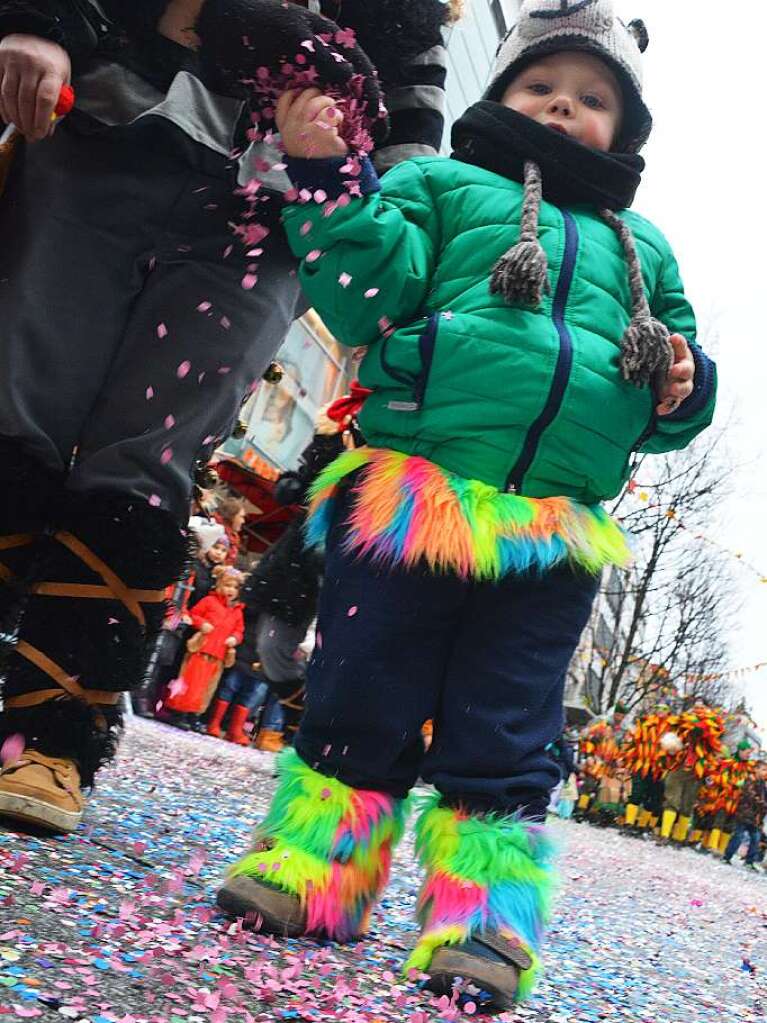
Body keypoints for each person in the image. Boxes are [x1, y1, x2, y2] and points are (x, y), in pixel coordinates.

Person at [215, 0, 717, 1009]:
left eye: (589, 100)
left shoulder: (642, 248)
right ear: (499, 97)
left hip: (549, 537)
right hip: (413, 499)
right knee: (363, 692)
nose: (562, 110)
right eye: (540, 88)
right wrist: (324, 177)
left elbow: (666, 392)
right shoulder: (438, 184)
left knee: (509, 730)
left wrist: (681, 381)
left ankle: (481, 922)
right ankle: (313, 871)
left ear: (623, 131)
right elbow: (362, 290)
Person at [0, 0, 453, 832]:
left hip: (271, 216)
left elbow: (409, 135)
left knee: (146, 462)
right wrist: (41, 22)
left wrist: (397, 242)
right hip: (102, 123)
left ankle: (54, 732)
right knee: (12, 407)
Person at [164, 565, 245, 728]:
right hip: (200, 650)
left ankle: (194, 715)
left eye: (235, 587)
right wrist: (202, 624)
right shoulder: (209, 601)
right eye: (227, 585)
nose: (231, 590)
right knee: (189, 681)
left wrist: (234, 639)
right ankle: (178, 711)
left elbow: (239, 630)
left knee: (207, 688)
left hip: (218, 655)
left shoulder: (237, 611)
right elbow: (193, 614)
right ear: (219, 585)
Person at [723, 760, 767, 870]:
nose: (765, 772)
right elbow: (750, 794)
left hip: (755, 818)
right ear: (755, 769)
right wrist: (762, 802)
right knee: (738, 836)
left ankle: (749, 861)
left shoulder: (762, 784)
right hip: (744, 815)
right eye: (763, 769)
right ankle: (727, 857)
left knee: (756, 838)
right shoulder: (750, 780)